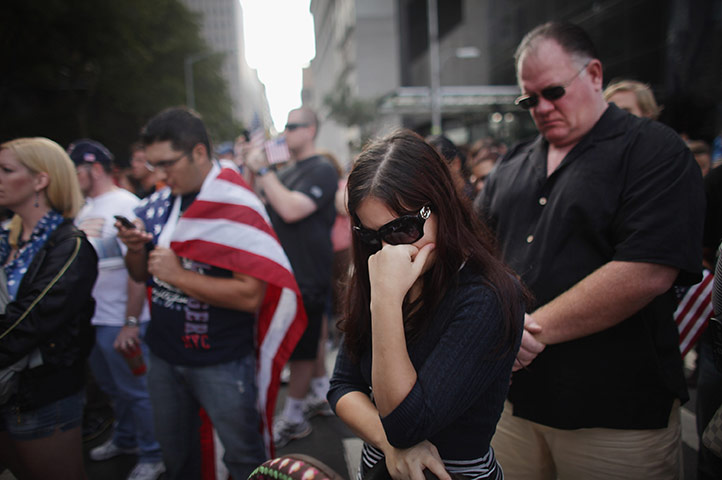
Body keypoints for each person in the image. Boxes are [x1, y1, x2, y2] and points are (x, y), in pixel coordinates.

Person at [477, 21, 704, 479]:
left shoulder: (654, 151)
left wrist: (529, 331)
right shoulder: (512, 164)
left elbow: (646, 269)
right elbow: (475, 252)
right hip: (511, 405)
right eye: (529, 99)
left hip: (614, 417)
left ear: (595, 74)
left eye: (554, 91)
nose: (541, 107)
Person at [116, 107, 305, 479]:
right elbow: (142, 275)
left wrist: (178, 275)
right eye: (153, 165)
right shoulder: (160, 203)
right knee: (177, 458)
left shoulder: (237, 205)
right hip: (165, 356)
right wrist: (136, 249)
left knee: (243, 458)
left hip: (221, 359)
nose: (160, 174)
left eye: (167, 163)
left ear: (199, 153)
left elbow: (250, 296)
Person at [329, 130, 525, 480]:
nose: (389, 250)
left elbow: (407, 425)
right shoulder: (376, 267)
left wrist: (386, 302)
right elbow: (343, 385)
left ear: (441, 206)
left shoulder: (486, 294)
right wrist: (388, 444)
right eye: (371, 235)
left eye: (402, 229)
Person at [0, 137, 98, 480]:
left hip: (40, 398)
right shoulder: (7, 242)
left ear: (40, 180)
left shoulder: (69, 246)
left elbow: (28, 322)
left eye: (6, 170)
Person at [68, 139, 164, 480]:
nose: (70, 176)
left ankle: (153, 454)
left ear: (93, 169)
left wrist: (131, 322)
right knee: (114, 391)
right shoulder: (84, 208)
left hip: (121, 321)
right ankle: (126, 439)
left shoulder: (127, 204)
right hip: (96, 320)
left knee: (138, 392)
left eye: (75, 169)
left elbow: (137, 271)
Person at [246, 106, 338, 447]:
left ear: (311, 129)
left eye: (293, 126)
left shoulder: (323, 170)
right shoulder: (287, 172)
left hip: (308, 271)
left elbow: (290, 209)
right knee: (308, 337)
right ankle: (319, 392)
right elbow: (258, 206)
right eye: (284, 126)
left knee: (302, 344)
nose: (285, 132)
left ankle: (295, 416)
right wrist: (253, 168)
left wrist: (265, 169)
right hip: (285, 270)